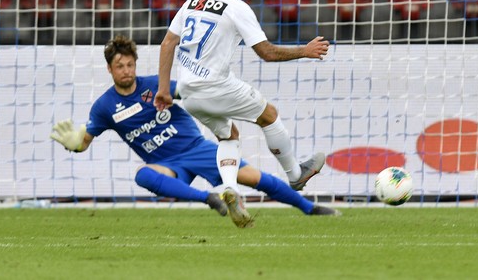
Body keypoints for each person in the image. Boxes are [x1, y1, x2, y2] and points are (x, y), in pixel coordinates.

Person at [50, 35, 340, 229]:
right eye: (119, 66)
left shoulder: (155, 85)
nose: (126, 70)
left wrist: (220, 120)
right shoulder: (104, 107)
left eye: (129, 64)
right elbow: (84, 141)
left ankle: (309, 208)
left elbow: (195, 94)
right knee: (143, 175)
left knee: (255, 178)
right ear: (109, 70)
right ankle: (210, 199)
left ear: (135, 65)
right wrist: (74, 143)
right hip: (168, 164)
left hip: (198, 150)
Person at [154, 0, 331, 228]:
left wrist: (164, 90)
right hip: (215, 85)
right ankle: (296, 174)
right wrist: (304, 51)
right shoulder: (237, 7)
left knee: (228, 134)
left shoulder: (192, 1)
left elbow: (167, 44)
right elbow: (266, 53)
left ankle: (230, 189)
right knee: (269, 115)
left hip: (188, 91)